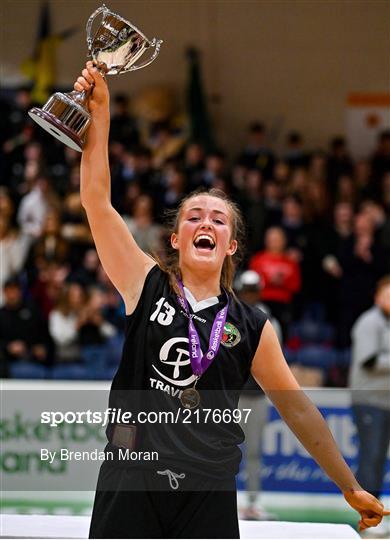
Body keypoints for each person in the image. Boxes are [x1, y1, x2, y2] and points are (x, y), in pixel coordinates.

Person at [75, 62, 389, 539]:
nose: (206, 223)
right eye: (194, 217)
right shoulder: (144, 283)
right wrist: (101, 115)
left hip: (208, 490)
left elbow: (298, 409)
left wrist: (349, 486)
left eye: (218, 220)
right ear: (176, 239)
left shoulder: (253, 325)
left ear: (232, 245)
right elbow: (97, 202)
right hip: (131, 480)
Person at [236, 270, 281, 521]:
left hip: (256, 395)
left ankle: (252, 502)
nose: (249, 296)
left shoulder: (268, 319)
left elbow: (276, 359)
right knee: (223, 450)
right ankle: (224, 500)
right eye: (246, 291)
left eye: (253, 291)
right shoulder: (228, 314)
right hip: (232, 395)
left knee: (253, 452)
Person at [348, 276, 390, 506]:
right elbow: (369, 362)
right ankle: (365, 514)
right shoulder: (369, 322)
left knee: (379, 459)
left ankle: (375, 510)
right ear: (377, 298)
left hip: (385, 402)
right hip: (368, 401)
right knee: (370, 457)